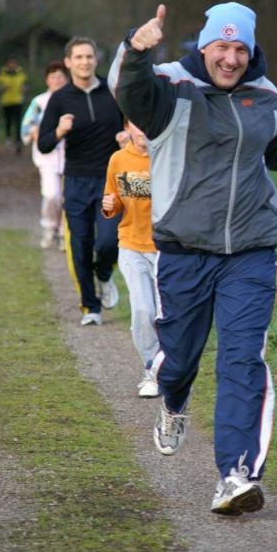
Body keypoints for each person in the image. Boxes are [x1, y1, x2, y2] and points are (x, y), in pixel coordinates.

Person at [108, 2, 277, 515]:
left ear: (251, 51)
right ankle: (174, 404)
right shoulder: (169, 87)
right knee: (177, 360)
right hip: (183, 248)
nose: (231, 59)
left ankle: (236, 474)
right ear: (203, 47)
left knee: (242, 359)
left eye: (241, 49)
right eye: (221, 47)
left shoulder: (264, 94)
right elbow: (129, 91)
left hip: (250, 250)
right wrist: (136, 47)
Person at [38, 36, 124, 327]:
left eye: (89, 56)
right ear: (68, 62)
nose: (84, 62)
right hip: (75, 179)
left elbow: (133, 125)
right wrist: (60, 131)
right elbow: (44, 144)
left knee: (109, 239)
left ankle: (104, 273)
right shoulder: (60, 98)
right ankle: (91, 306)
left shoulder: (113, 92)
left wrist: (126, 135)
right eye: (78, 57)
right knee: (81, 242)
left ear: (96, 59)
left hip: (110, 179)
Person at [102, 120, 160, 398]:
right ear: (127, 127)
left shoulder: (169, 156)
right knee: (142, 311)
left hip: (168, 249)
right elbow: (112, 197)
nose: (144, 132)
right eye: (138, 125)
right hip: (131, 246)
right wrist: (110, 205)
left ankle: (170, 368)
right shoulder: (118, 159)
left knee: (165, 314)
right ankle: (151, 369)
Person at [20, 61, 68, 250]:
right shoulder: (39, 102)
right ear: (47, 80)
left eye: (60, 76)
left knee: (67, 197)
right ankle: (49, 227)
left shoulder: (73, 99)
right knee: (51, 195)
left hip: (71, 156)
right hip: (47, 157)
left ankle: (65, 233)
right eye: (52, 76)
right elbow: (26, 126)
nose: (56, 80)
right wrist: (33, 132)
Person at [0, 57, 28, 153]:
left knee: (18, 121)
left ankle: (18, 141)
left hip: (18, 101)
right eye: (11, 64)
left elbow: (26, 84)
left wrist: (24, 88)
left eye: (14, 64)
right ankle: (8, 138)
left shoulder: (21, 73)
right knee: (8, 121)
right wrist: (0, 88)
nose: (12, 65)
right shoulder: (1, 73)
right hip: (6, 101)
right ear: (7, 64)